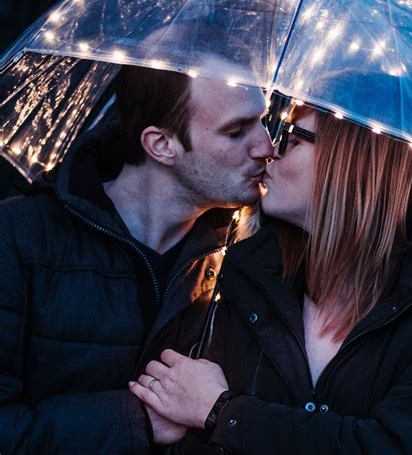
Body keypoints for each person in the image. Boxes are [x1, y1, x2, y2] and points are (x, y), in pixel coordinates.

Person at [130, 103, 412, 455]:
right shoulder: (243, 278)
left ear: (351, 163)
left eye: (292, 138)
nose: (270, 151)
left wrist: (222, 411)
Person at [0, 62, 273, 453]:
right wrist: (135, 422)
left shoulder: (243, 254)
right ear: (162, 144)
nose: (266, 147)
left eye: (262, 121)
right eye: (235, 132)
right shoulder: (18, 236)